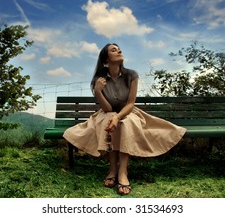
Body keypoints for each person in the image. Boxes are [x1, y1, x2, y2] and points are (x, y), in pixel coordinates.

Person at [63, 43, 186, 195]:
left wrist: (117, 117)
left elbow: (130, 104)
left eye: (119, 48)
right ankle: (112, 169)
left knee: (125, 123)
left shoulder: (131, 75)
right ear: (105, 60)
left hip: (128, 112)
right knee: (109, 120)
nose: (119, 50)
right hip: (107, 113)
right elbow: (107, 109)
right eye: (113, 50)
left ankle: (122, 172)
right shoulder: (99, 80)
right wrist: (98, 92)